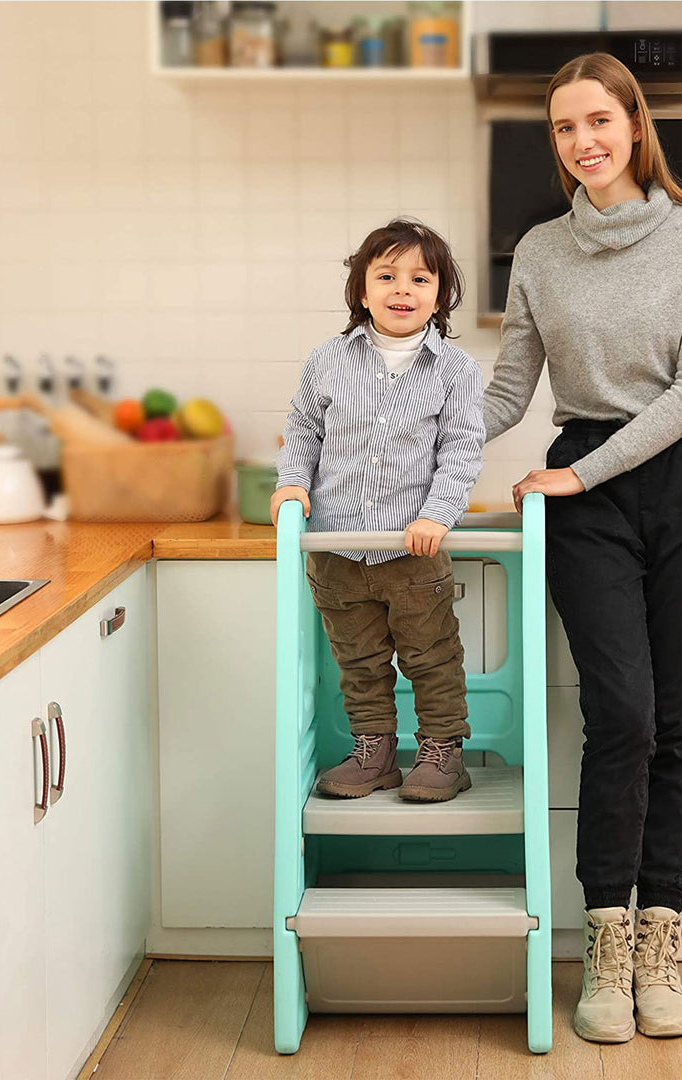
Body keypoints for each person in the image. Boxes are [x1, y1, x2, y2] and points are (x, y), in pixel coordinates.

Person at [483, 54, 682, 1043]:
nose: (583, 140)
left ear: (634, 125)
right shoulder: (541, 251)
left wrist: (580, 474)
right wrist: (395, 407)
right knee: (621, 716)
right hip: (585, 492)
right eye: (563, 128)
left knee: (680, 723)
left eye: (598, 119)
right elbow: (509, 392)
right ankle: (603, 944)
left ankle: (658, 943)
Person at [272, 219, 485, 803]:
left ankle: (443, 753)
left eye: (420, 278)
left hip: (412, 551)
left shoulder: (455, 371)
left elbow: (462, 449)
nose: (402, 289)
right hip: (336, 548)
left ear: (440, 295)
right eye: (386, 275)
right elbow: (304, 430)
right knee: (359, 662)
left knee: (431, 657)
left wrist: (438, 515)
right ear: (362, 291)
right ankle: (376, 752)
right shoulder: (327, 360)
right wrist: (291, 486)